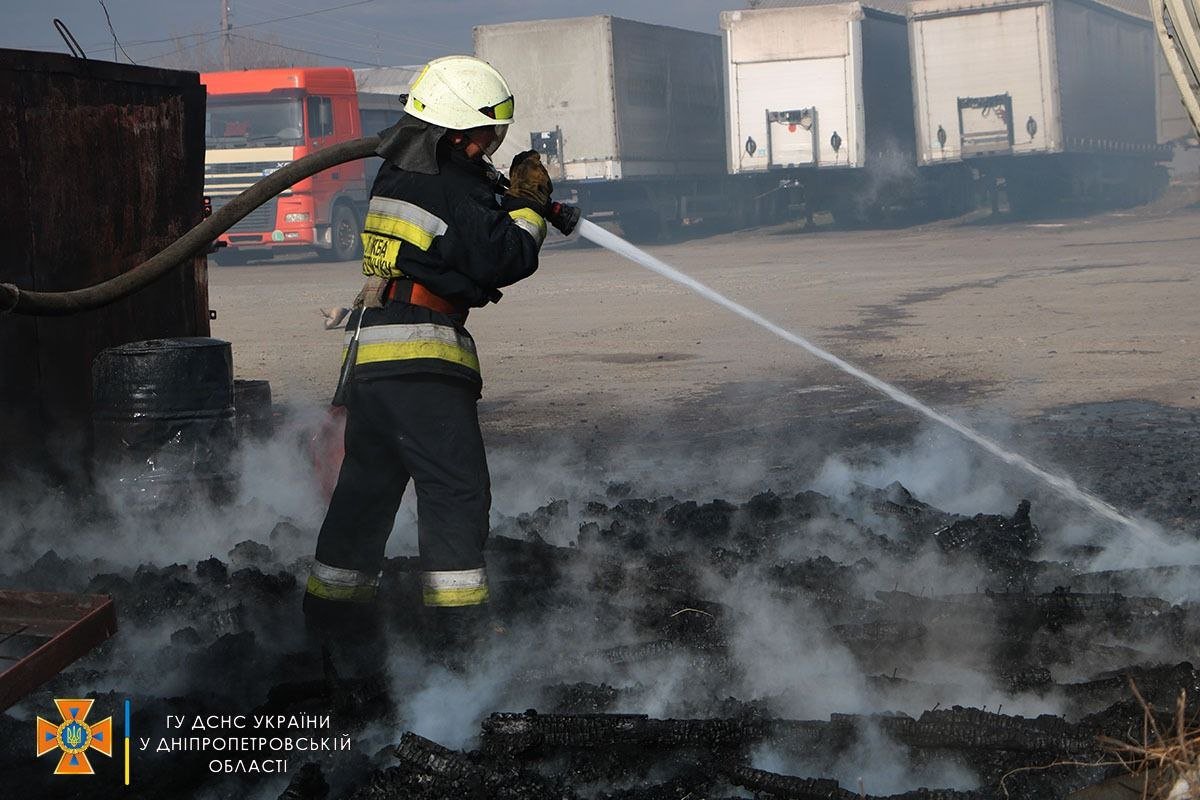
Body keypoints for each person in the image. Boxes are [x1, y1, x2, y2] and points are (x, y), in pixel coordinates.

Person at [303, 55, 575, 656]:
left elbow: (449, 244)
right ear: (454, 132)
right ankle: (459, 643)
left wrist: (500, 200)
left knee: (366, 493)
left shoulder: (399, 175)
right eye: (485, 135)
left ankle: (330, 627)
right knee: (455, 493)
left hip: (375, 363)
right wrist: (530, 207)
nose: (489, 147)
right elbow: (503, 257)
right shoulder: (449, 182)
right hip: (421, 362)